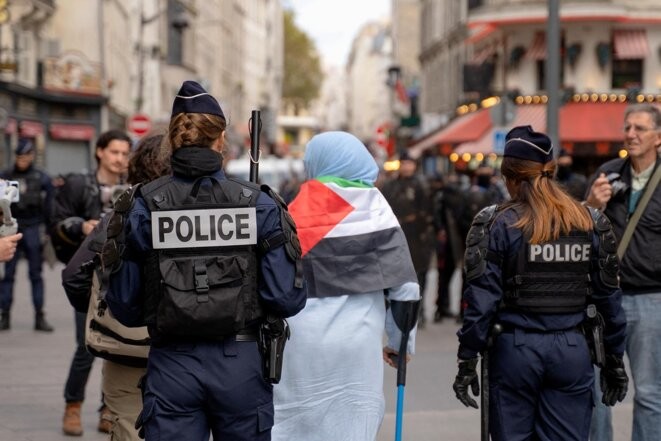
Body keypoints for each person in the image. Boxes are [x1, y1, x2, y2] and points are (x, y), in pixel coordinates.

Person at [104, 80, 306, 441]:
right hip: (241, 364)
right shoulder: (258, 203)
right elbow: (285, 298)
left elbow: (126, 307)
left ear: (172, 138)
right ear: (221, 139)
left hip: (172, 364)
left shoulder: (141, 205)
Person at [453, 125, 628, 441]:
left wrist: (467, 358)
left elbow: (481, 301)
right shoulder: (590, 221)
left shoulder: (496, 224)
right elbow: (609, 298)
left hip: (515, 350)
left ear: (510, 177)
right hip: (572, 349)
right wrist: (615, 359)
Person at [271, 131, 420, 441]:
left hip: (298, 343)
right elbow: (405, 287)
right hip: (356, 346)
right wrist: (399, 342)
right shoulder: (375, 209)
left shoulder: (292, 211)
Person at [62, 134, 168, 441]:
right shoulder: (198, 212)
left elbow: (73, 277)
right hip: (190, 351)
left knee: (128, 428)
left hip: (127, 349)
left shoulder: (123, 213)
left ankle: (75, 405)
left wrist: (102, 307)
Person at [586, 102, 661, 441]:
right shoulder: (609, 173)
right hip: (606, 298)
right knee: (598, 390)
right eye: (627, 127)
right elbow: (580, 229)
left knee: (649, 393)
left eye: (640, 129)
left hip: (652, 299)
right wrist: (591, 205)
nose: (631, 134)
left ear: (658, 137)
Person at [50, 129, 131, 436]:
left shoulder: (133, 187)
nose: (120, 159)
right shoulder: (78, 183)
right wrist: (80, 226)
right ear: (100, 152)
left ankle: (107, 409)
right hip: (88, 277)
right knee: (86, 346)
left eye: (125, 154)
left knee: (117, 346)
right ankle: (73, 407)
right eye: (114, 152)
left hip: (120, 277)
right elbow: (57, 221)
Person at [0, 139, 54, 331]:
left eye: (25, 157)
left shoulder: (41, 177)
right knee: (8, 274)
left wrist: (49, 232)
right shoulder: (5, 176)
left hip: (33, 227)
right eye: (19, 157)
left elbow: (49, 207)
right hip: (11, 225)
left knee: (35, 274)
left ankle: (39, 316)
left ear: (32, 156)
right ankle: (4, 315)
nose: (22, 160)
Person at [380, 151, 433, 326]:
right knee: (393, 277)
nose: (407, 167)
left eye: (410, 163)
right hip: (394, 235)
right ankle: (394, 312)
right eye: (404, 163)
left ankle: (419, 312)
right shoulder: (390, 185)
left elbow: (428, 213)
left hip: (417, 237)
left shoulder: (422, 185)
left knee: (418, 277)